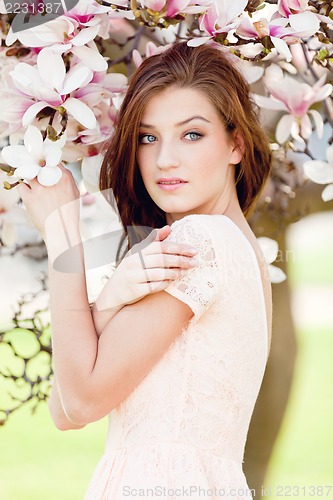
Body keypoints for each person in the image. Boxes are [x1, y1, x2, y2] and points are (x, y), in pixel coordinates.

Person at [17, 41, 272, 499]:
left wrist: (63, 238)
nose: (164, 160)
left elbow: (80, 401)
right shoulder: (233, 245)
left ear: (236, 143)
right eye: (147, 137)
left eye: (192, 134)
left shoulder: (201, 241)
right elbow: (66, 411)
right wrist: (111, 298)